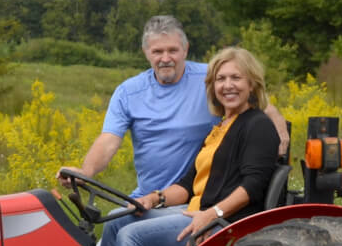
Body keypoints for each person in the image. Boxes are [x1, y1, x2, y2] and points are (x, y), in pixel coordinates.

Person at [78, 47, 279, 246]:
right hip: (196, 210)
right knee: (119, 220)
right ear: (212, 86)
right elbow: (186, 185)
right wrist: (153, 198)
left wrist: (211, 214)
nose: (228, 85)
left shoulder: (257, 126)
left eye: (236, 78)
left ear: (252, 84)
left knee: (133, 236)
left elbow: (252, 186)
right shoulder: (220, 128)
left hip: (223, 222)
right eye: (221, 79)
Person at [60, 15, 287, 198]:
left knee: (127, 235)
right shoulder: (128, 92)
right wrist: (86, 173)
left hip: (194, 195)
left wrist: (279, 130)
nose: (165, 58)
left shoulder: (211, 78)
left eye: (173, 50)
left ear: (185, 50)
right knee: (105, 239)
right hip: (147, 197)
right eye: (157, 52)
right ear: (146, 53)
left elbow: (253, 97)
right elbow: (109, 140)